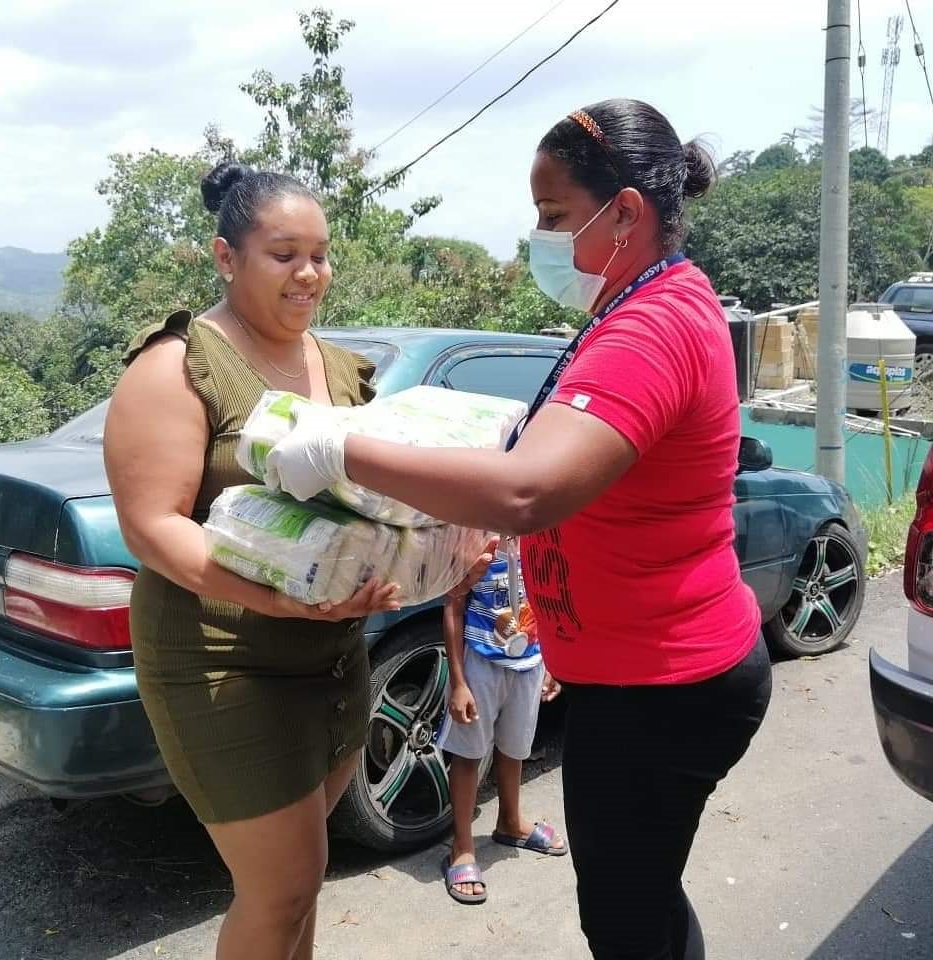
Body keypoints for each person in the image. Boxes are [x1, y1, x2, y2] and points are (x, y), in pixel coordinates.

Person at [268, 99, 774, 960]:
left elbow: (527, 493)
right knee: (641, 902)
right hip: (649, 673)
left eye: (553, 217)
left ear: (626, 214)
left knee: (627, 920)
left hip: (661, 687)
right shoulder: (640, 301)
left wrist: (342, 446)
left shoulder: (652, 326)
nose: (536, 238)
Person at [103, 161, 491, 960]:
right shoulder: (177, 366)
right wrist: (278, 601)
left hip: (331, 647)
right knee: (279, 886)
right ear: (225, 257)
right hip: (221, 655)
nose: (309, 273)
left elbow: (369, 503)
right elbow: (152, 527)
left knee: (302, 881)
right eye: (284, 254)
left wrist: (446, 543)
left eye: (319, 254)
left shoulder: (341, 370)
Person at [438, 538, 565, 905]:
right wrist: (459, 683)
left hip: (529, 661)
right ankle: (461, 847)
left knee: (515, 746)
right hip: (481, 662)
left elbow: (548, 596)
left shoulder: (540, 534)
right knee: (468, 753)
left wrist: (552, 661)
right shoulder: (473, 537)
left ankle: (510, 821)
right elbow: (453, 605)